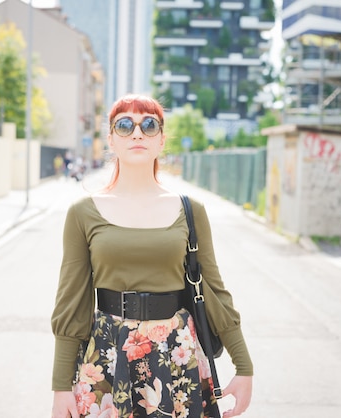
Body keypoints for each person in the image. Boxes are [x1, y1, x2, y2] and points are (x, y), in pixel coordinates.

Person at [51, 94, 253, 418]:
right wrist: (61, 386)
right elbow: (70, 303)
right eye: (124, 125)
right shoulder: (82, 213)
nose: (137, 133)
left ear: (161, 140)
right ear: (111, 140)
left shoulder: (190, 210)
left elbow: (214, 290)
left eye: (148, 124)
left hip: (176, 355)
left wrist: (244, 365)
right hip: (107, 355)